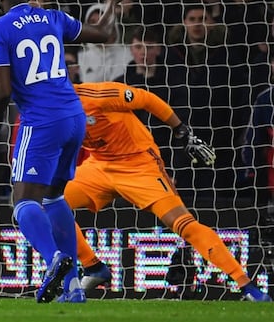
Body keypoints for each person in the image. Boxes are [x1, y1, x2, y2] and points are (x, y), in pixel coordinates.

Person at [0, 0, 138, 303]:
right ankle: (71, 290)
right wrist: (110, 3)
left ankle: (54, 258)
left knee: (23, 201)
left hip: (41, 121)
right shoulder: (53, 17)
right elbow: (105, 34)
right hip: (74, 118)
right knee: (53, 197)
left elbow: (3, 90)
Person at [67, 81, 271, 302]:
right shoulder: (46, 108)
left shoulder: (99, 95)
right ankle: (93, 267)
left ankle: (247, 286)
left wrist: (182, 132)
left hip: (140, 166)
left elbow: (146, 99)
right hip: (99, 167)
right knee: (47, 205)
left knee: (184, 225)